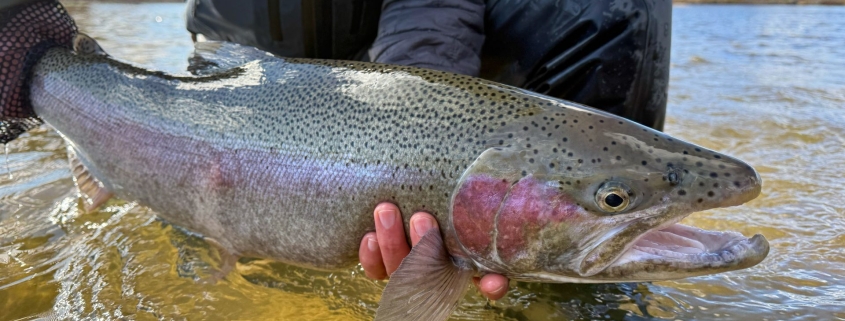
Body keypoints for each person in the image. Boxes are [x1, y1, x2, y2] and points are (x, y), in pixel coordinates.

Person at [0, 0, 671, 301]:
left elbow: (431, 14)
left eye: (615, 195)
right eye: (615, 196)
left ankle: (566, 279)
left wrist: (410, 119)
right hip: (252, 41)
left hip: (406, 45)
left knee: (612, 6)